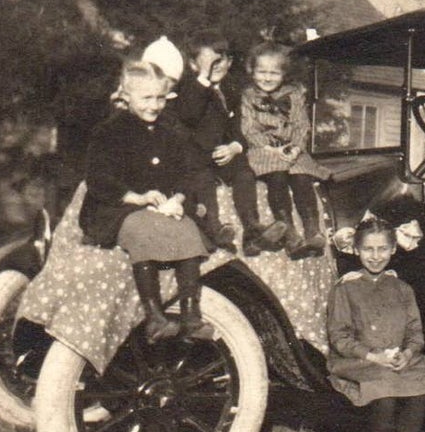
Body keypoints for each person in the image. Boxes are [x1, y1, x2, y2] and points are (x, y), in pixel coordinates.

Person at [79, 56, 217, 344]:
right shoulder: (110, 131)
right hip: (119, 206)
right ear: (125, 96)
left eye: (160, 98)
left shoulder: (171, 130)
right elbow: (99, 179)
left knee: (188, 230)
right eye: (145, 98)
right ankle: (154, 315)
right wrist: (138, 198)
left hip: (163, 205)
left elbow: (186, 171)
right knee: (142, 230)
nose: (153, 105)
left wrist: (178, 198)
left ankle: (192, 315)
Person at [325, 215, 425, 432]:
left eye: (381, 249)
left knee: (423, 382)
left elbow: (415, 332)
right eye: (368, 249)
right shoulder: (345, 288)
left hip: (397, 359)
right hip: (359, 360)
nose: (375, 257)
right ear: (356, 250)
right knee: (385, 393)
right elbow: (339, 337)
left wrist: (409, 352)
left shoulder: (403, 289)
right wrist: (372, 355)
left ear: (393, 250)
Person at [168, 34, 263, 254]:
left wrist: (235, 147)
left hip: (221, 154)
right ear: (193, 64)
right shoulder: (188, 88)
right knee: (202, 180)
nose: (217, 67)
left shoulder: (230, 90)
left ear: (229, 62)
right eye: (210, 62)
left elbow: (238, 127)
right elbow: (189, 115)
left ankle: (252, 229)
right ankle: (214, 228)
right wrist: (203, 77)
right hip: (195, 155)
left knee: (244, 173)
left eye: (221, 61)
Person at [239, 40, 329, 258]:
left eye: (274, 73)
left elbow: (302, 125)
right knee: (277, 178)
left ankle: (312, 228)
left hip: (292, 148)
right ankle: (289, 233)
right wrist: (270, 148)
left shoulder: (294, 94)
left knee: (302, 178)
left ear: (284, 74)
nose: (267, 78)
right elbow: (248, 129)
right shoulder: (248, 96)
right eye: (261, 72)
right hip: (265, 150)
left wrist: (297, 147)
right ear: (252, 71)